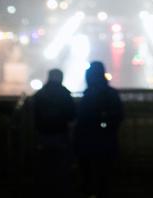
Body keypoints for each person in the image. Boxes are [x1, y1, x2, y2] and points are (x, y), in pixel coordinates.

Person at [74, 61, 123, 198]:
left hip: (87, 141)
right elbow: (118, 115)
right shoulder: (111, 94)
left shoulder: (88, 95)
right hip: (106, 141)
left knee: (87, 174)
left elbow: (81, 117)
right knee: (104, 175)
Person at [32, 68, 77, 195]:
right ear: (61, 78)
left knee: (44, 165)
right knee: (60, 166)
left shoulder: (40, 94)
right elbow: (71, 115)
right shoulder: (64, 93)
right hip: (60, 134)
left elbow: (34, 114)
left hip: (43, 135)